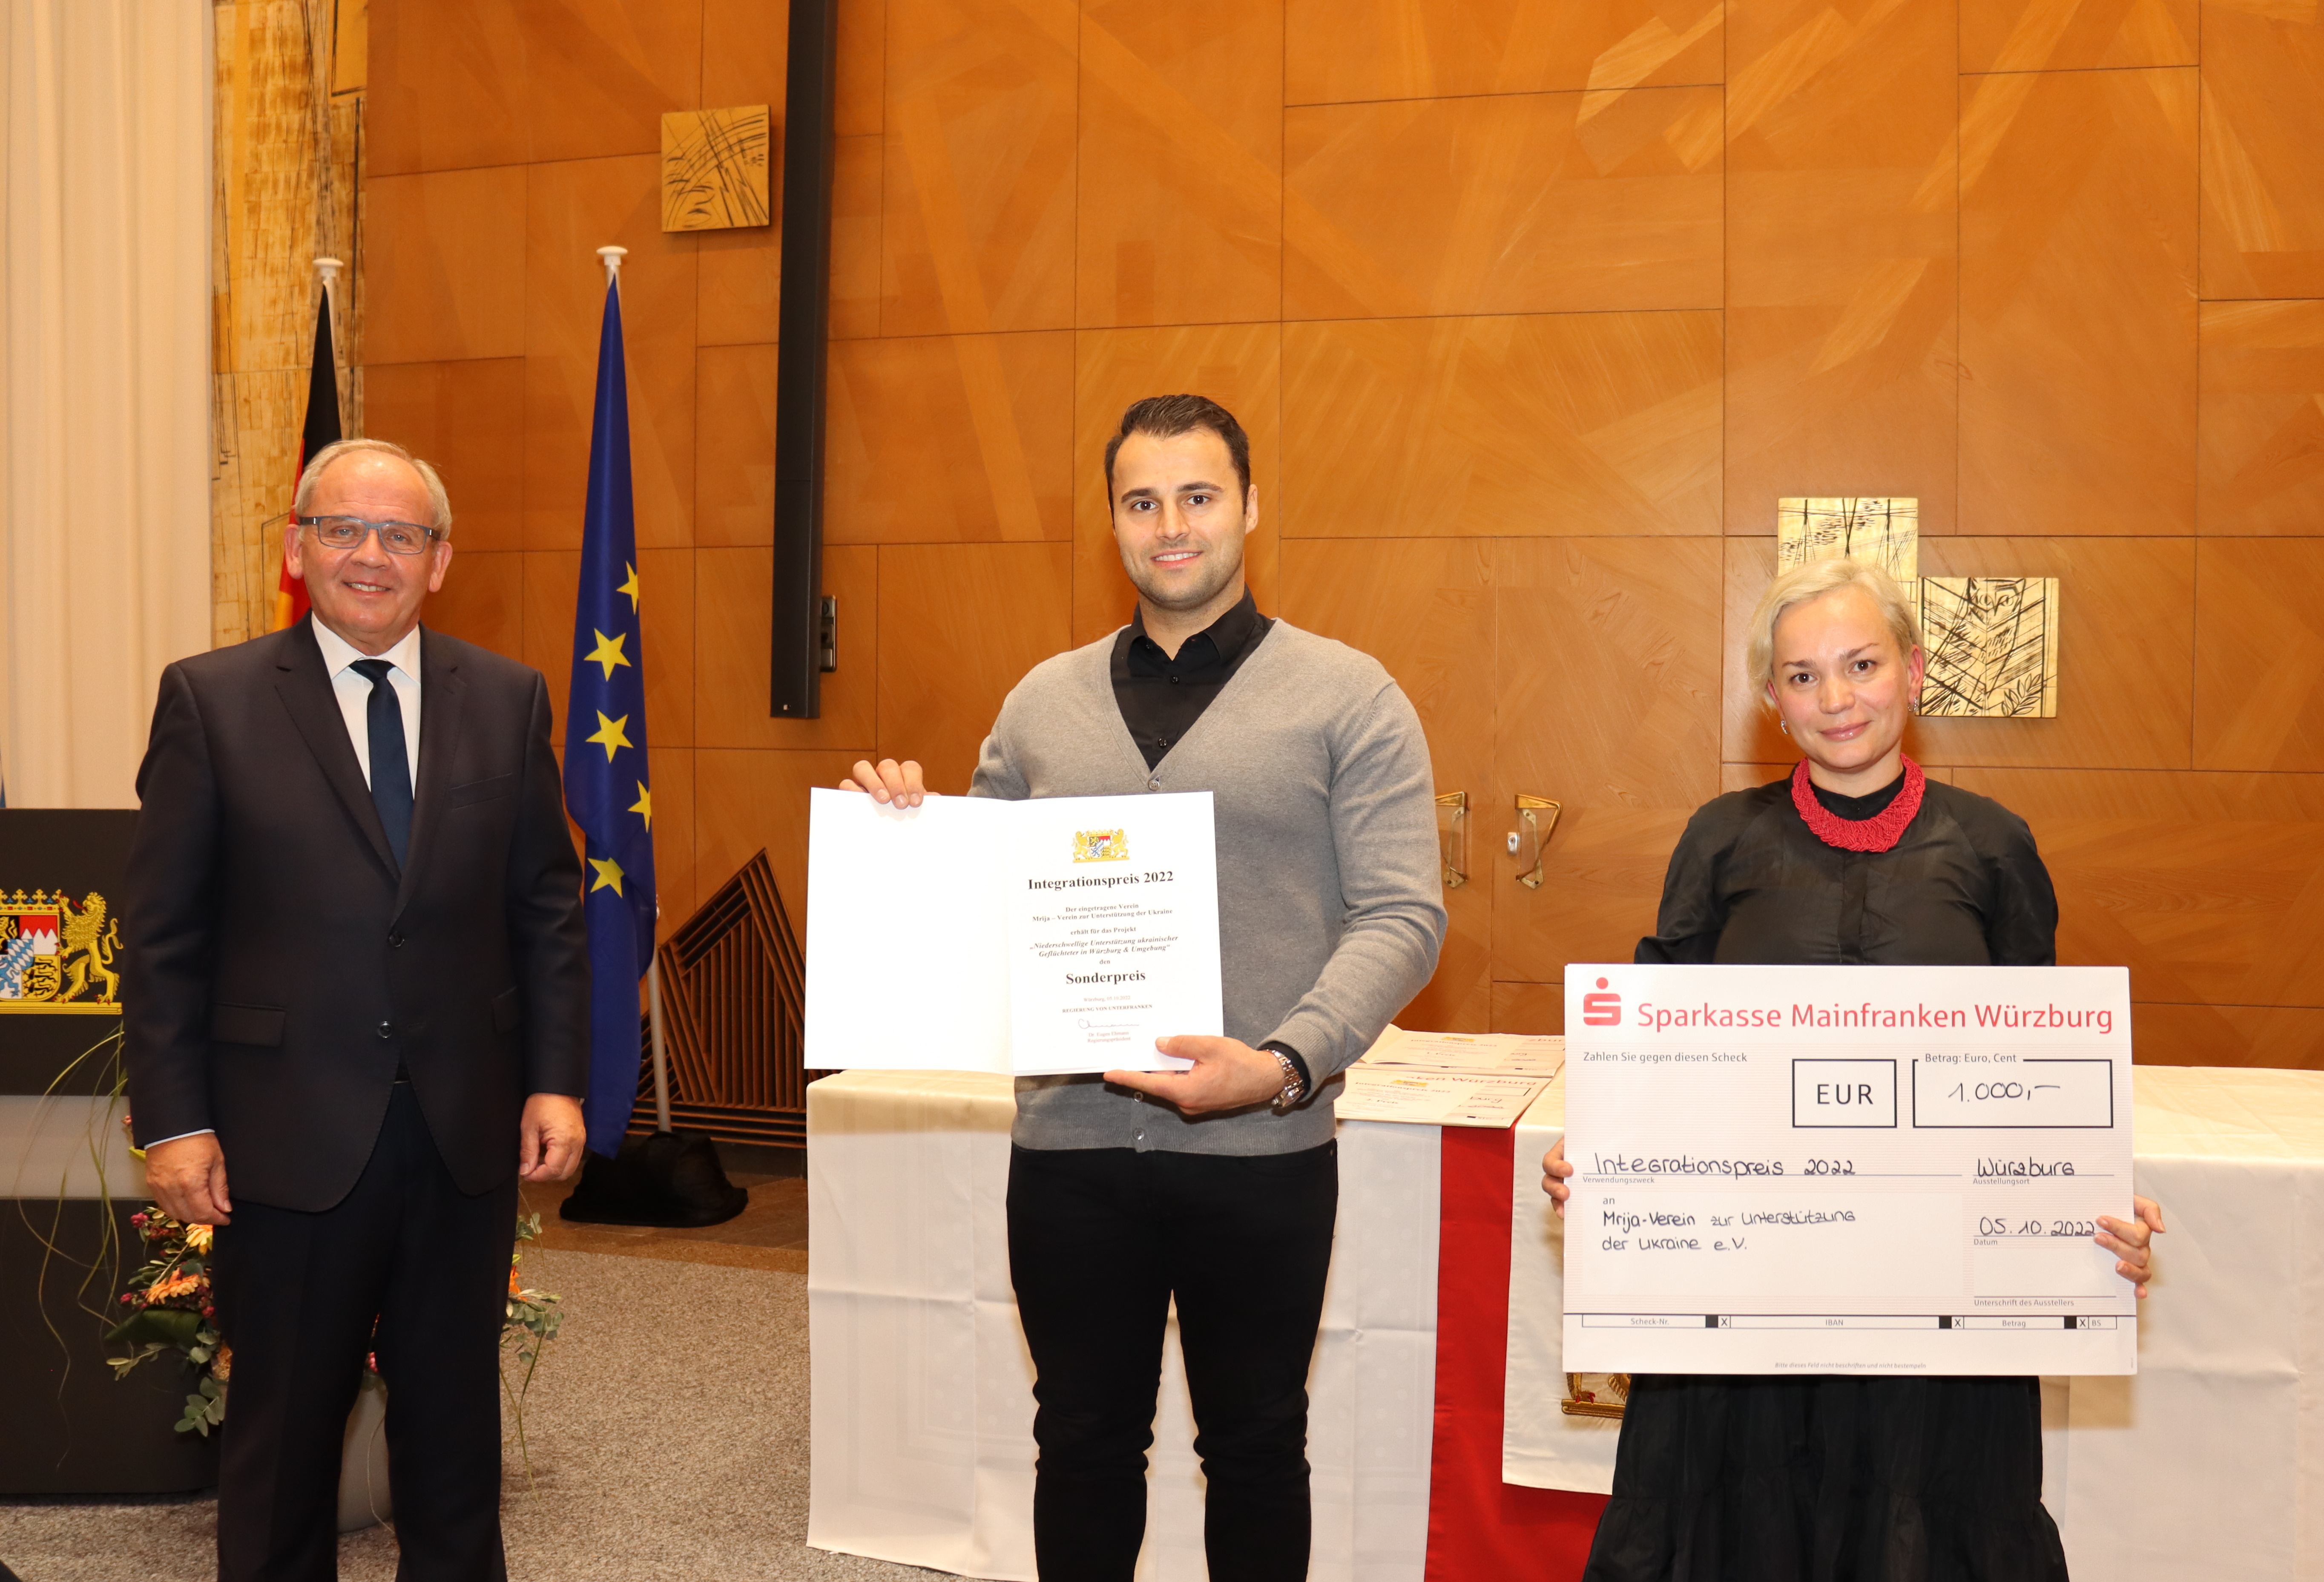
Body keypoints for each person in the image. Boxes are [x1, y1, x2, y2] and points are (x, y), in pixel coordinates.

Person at [842, 394, 1445, 1581]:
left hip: (1263, 1148)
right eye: (1141, 501)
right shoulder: (1040, 702)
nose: (1170, 525)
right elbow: (982, 905)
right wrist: (906, 834)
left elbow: (1403, 915)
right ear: (1113, 520)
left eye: (1198, 496)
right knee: (1080, 1443)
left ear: (1249, 507)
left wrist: (1282, 1064)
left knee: (1257, 1448)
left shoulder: (1349, 696)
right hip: (1070, 1150)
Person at [1541, 556, 2162, 1581]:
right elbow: (1655, 1052)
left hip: (1936, 1319)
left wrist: (2083, 1204)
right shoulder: (1718, 841)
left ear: (1912, 672)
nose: (1834, 697)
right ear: (1770, 699)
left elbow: (2041, 1075)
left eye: (1861, 664)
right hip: (1742, 1306)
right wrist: (1606, 1158)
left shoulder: (1993, 846)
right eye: (1802, 675)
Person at [123, 438, 590, 1582]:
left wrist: (555, 1080)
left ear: (440, 561)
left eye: (401, 534)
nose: (371, 555)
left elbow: (546, 909)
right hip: (284, 1140)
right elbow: (165, 935)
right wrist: (174, 1121)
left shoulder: (507, 697)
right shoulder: (212, 700)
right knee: (282, 1444)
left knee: (454, 1442)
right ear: (297, 548)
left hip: (460, 1135)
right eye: (343, 529)